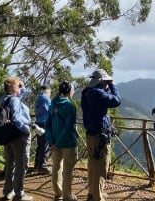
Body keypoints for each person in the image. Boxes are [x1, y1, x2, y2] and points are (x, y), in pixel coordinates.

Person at [81, 69, 121, 201]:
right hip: (100, 136)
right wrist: (113, 85)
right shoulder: (98, 93)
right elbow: (116, 101)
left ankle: (92, 193)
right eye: (105, 82)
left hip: (91, 134)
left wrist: (106, 86)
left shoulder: (86, 92)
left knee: (93, 165)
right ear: (101, 81)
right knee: (101, 167)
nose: (106, 84)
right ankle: (97, 197)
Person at [45, 81, 78, 201]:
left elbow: (47, 124)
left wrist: (51, 142)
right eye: (73, 90)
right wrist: (57, 143)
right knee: (68, 170)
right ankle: (67, 196)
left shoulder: (52, 104)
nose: (73, 92)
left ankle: (58, 192)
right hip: (68, 143)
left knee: (56, 167)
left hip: (54, 143)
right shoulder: (70, 106)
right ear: (69, 91)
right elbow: (68, 128)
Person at [1, 77, 33, 201]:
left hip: (8, 135)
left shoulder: (5, 99)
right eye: (18, 86)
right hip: (19, 136)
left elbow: (20, 94)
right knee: (22, 164)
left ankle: (8, 191)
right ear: (14, 88)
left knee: (10, 164)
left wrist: (21, 85)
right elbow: (16, 118)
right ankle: (19, 193)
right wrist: (26, 130)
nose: (21, 88)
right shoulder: (14, 100)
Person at [34, 84, 52, 174]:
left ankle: (37, 164)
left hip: (38, 123)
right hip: (45, 124)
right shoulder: (46, 99)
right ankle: (42, 166)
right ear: (48, 90)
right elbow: (51, 110)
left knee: (40, 145)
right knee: (45, 145)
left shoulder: (38, 99)